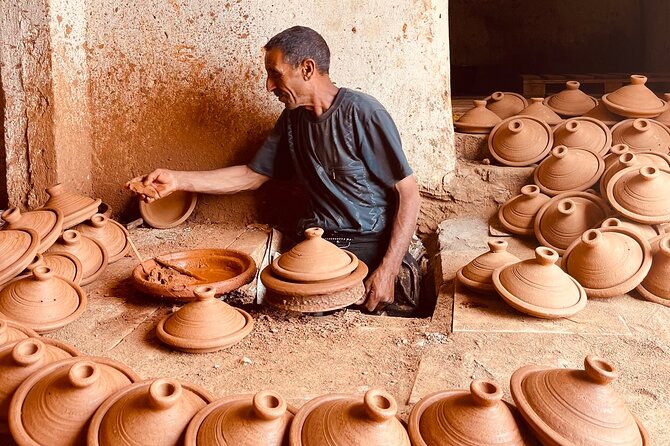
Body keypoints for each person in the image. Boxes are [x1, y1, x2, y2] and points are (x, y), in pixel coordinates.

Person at [128, 26, 421, 313]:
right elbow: (252, 176)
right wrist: (177, 180)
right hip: (315, 243)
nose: (269, 86)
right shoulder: (292, 120)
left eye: (276, 75)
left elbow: (408, 193)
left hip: (366, 244)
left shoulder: (362, 113)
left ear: (307, 68)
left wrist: (389, 269)